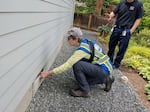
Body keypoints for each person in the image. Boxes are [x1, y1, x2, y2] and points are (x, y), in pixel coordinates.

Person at [40, 27, 114, 97]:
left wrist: (48, 73)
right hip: (106, 67)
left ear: (75, 38)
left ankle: (85, 91)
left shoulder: (82, 50)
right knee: (82, 76)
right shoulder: (87, 42)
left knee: (78, 65)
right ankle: (107, 79)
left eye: (69, 38)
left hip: (103, 69)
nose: (67, 40)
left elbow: (67, 64)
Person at [106, 0, 144, 69]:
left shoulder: (138, 4)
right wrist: (110, 16)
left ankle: (116, 64)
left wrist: (131, 30)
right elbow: (114, 12)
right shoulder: (122, 2)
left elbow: (138, 19)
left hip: (127, 30)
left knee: (122, 48)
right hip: (117, 28)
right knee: (111, 45)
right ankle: (109, 61)